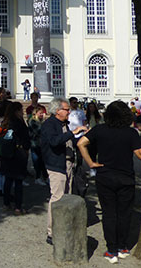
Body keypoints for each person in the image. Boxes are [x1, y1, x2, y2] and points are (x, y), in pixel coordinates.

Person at [78, 101, 141, 263]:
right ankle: (122, 246)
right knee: (124, 213)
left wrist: (91, 163)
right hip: (125, 178)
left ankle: (111, 249)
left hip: (105, 177)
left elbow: (81, 143)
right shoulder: (130, 133)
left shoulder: (99, 129)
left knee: (109, 214)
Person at [41, 98, 88, 245]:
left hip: (67, 163)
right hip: (56, 165)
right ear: (57, 111)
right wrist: (73, 132)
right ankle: (52, 232)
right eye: (66, 109)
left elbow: (69, 141)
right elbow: (54, 141)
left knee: (66, 195)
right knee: (57, 197)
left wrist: (82, 137)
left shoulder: (63, 124)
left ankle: (63, 226)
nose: (69, 112)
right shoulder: (49, 125)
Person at [0, 102, 31, 215]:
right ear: (17, 111)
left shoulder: (5, 122)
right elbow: (25, 137)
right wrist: (26, 148)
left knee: (8, 180)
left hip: (6, 155)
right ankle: (18, 207)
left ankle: (6, 203)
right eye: (21, 110)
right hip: (17, 154)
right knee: (18, 182)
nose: (22, 112)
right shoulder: (18, 123)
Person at [27, 105, 48, 186]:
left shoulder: (41, 121)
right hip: (35, 144)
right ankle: (38, 177)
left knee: (42, 161)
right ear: (35, 113)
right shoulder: (32, 121)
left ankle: (45, 177)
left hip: (41, 144)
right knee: (37, 161)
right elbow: (40, 131)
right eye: (40, 113)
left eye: (42, 113)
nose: (42, 115)